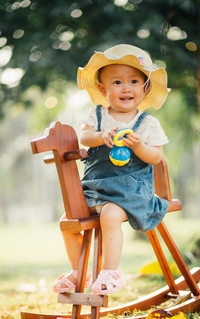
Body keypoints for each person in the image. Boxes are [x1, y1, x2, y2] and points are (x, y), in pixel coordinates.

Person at [53, 44, 170, 295]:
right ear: (102, 89)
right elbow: (84, 136)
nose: (126, 87)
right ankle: (78, 273)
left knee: (110, 215)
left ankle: (110, 272)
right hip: (95, 188)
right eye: (117, 82)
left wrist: (139, 146)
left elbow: (157, 156)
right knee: (68, 220)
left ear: (144, 87)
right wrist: (100, 135)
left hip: (132, 191)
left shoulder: (147, 123)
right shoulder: (97, 115)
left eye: (134, 81)